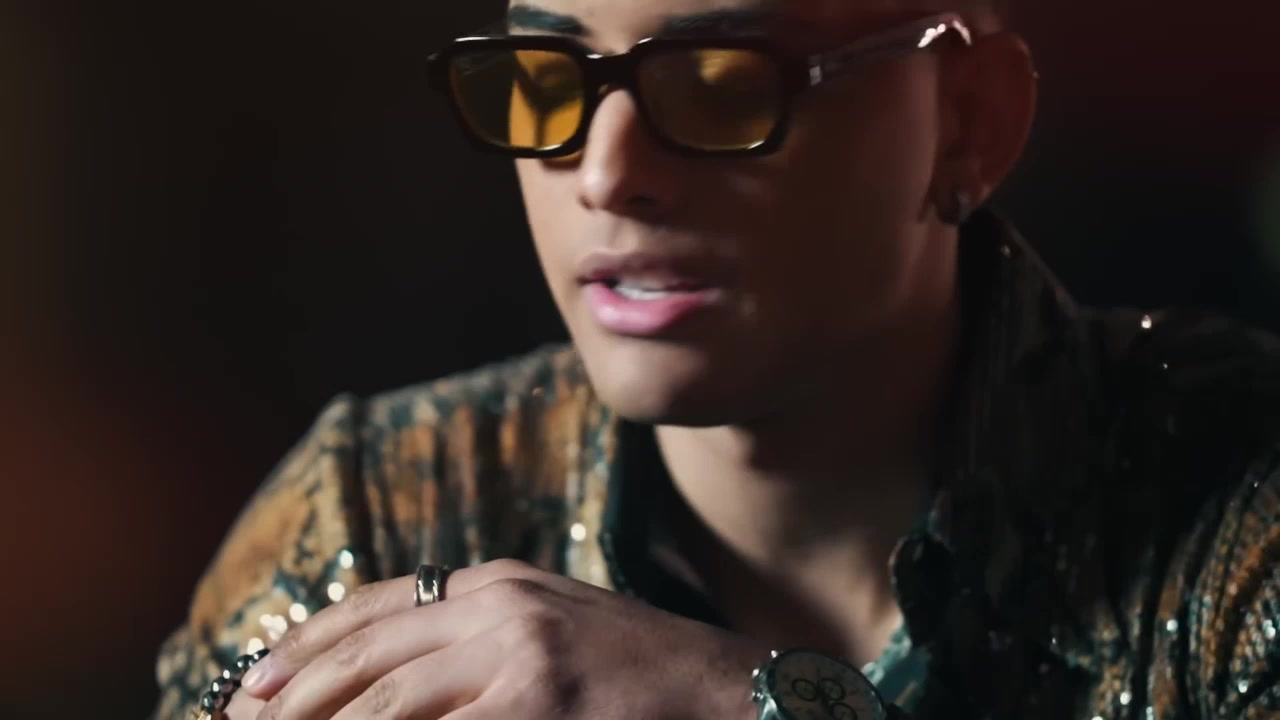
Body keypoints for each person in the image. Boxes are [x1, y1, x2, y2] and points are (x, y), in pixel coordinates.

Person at [155, 0, 1280, 718]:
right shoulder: (376, 510)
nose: (608, 175)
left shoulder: (1239, 508)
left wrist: (745, 704)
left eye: (723, 84)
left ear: (969, 121)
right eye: (549, 77)